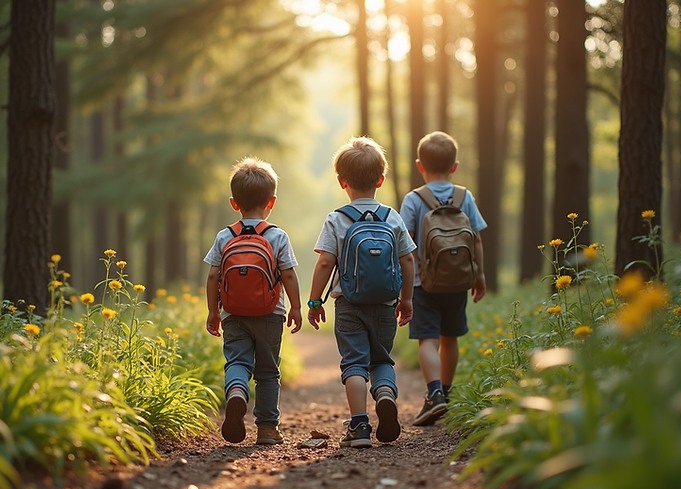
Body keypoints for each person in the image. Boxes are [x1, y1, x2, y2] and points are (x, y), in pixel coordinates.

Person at [307, 137, 416, 448]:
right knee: (382, 360)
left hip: (349, 305)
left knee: (354, 363)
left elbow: (325, 262)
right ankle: (384, 394)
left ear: (342, 182)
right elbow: (407, 259)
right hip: (384, 305)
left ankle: (360, 427)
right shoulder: (392, 217)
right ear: (381, 180)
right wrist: (406, 298)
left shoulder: (337, 218)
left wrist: (315, 302)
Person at [204, 157, 302, 445]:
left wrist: (213, 311)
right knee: (268, 371)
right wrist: (296, 307)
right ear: (271, 202)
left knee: (237, 361)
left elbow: (213, 277)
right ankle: (268, 429)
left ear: (234, 203)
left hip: (233, 313)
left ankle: (236, 391)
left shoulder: (225, 236)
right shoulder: (277, 236)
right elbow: (289, 276)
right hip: (271, 313)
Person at [399, 131, 487, 426]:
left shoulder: (413, 199)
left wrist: (405, 285)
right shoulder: (465, 196)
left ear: (419, 165)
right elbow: (475, 240)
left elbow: (405, 245)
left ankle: (434, 394)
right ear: (454, 166)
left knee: (427, 338)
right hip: (458, 280)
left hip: (424, 283)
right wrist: (480, 275)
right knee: (450, 338)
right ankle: (445, 395)